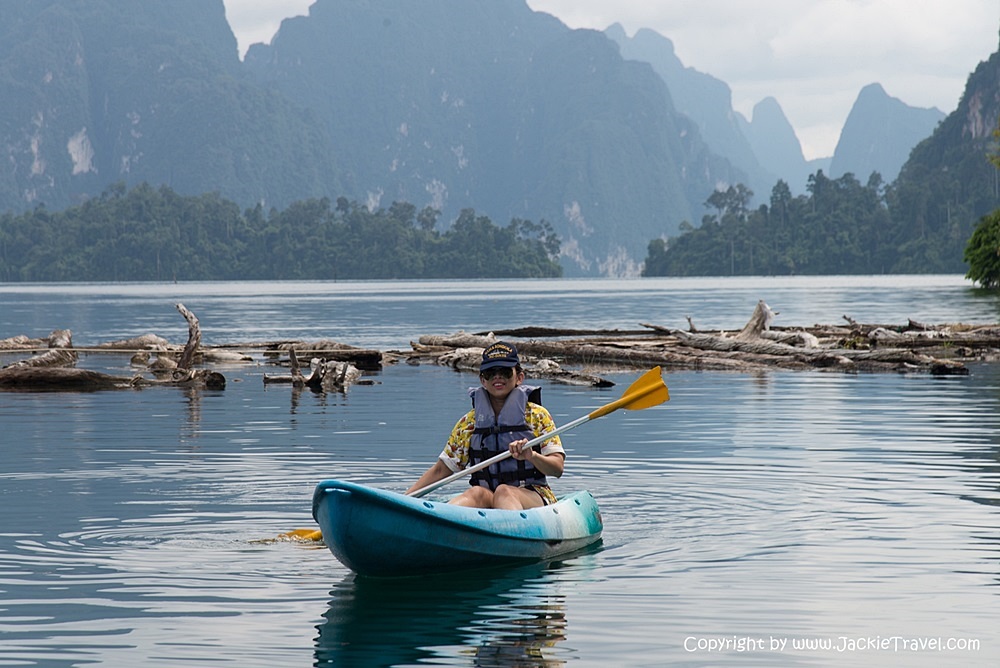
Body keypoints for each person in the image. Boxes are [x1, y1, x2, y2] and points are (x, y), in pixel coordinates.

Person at [406, 341, 565, 510]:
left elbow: (557, 469)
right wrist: (403, 500)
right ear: (483, 380)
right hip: (488, 497)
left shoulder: (538, 416)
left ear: (519, 377)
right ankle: (442, 524)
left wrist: (531, 456)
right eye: (490, 373)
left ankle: (510, 532)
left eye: (504, 372)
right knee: (476, 493)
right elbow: (440, 470)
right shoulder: (468, 423)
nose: (497, 377)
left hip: (533, 496)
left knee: (504, 492)